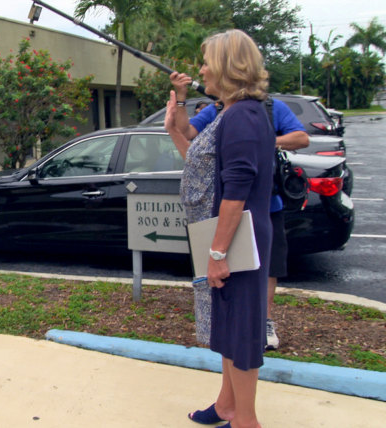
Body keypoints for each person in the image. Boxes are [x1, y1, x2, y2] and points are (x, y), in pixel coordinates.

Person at [168, 30, 275, 428]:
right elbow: (202, 163)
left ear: (229, 66)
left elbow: (236, 193)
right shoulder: (230, 112)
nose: (201, 69)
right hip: (229, 236)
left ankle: (245, 419)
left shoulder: (244, 116)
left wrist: (216, 254)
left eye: (208, 60)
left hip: (237, 239)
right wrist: (175, 126)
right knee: (228, 325)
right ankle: (227, 404)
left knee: (243, 329)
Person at [168, 76, 309, 352]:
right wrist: (181, 98)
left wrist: (263, 140)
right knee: (232, 274)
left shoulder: (269, 108)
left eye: (209, 66)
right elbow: (187, 133)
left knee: (266, 268)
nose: (203, 71)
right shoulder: (218, 111)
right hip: (225, 206)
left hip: (267, 206)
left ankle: (264, 322)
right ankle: (234, 331)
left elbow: (301, 138)